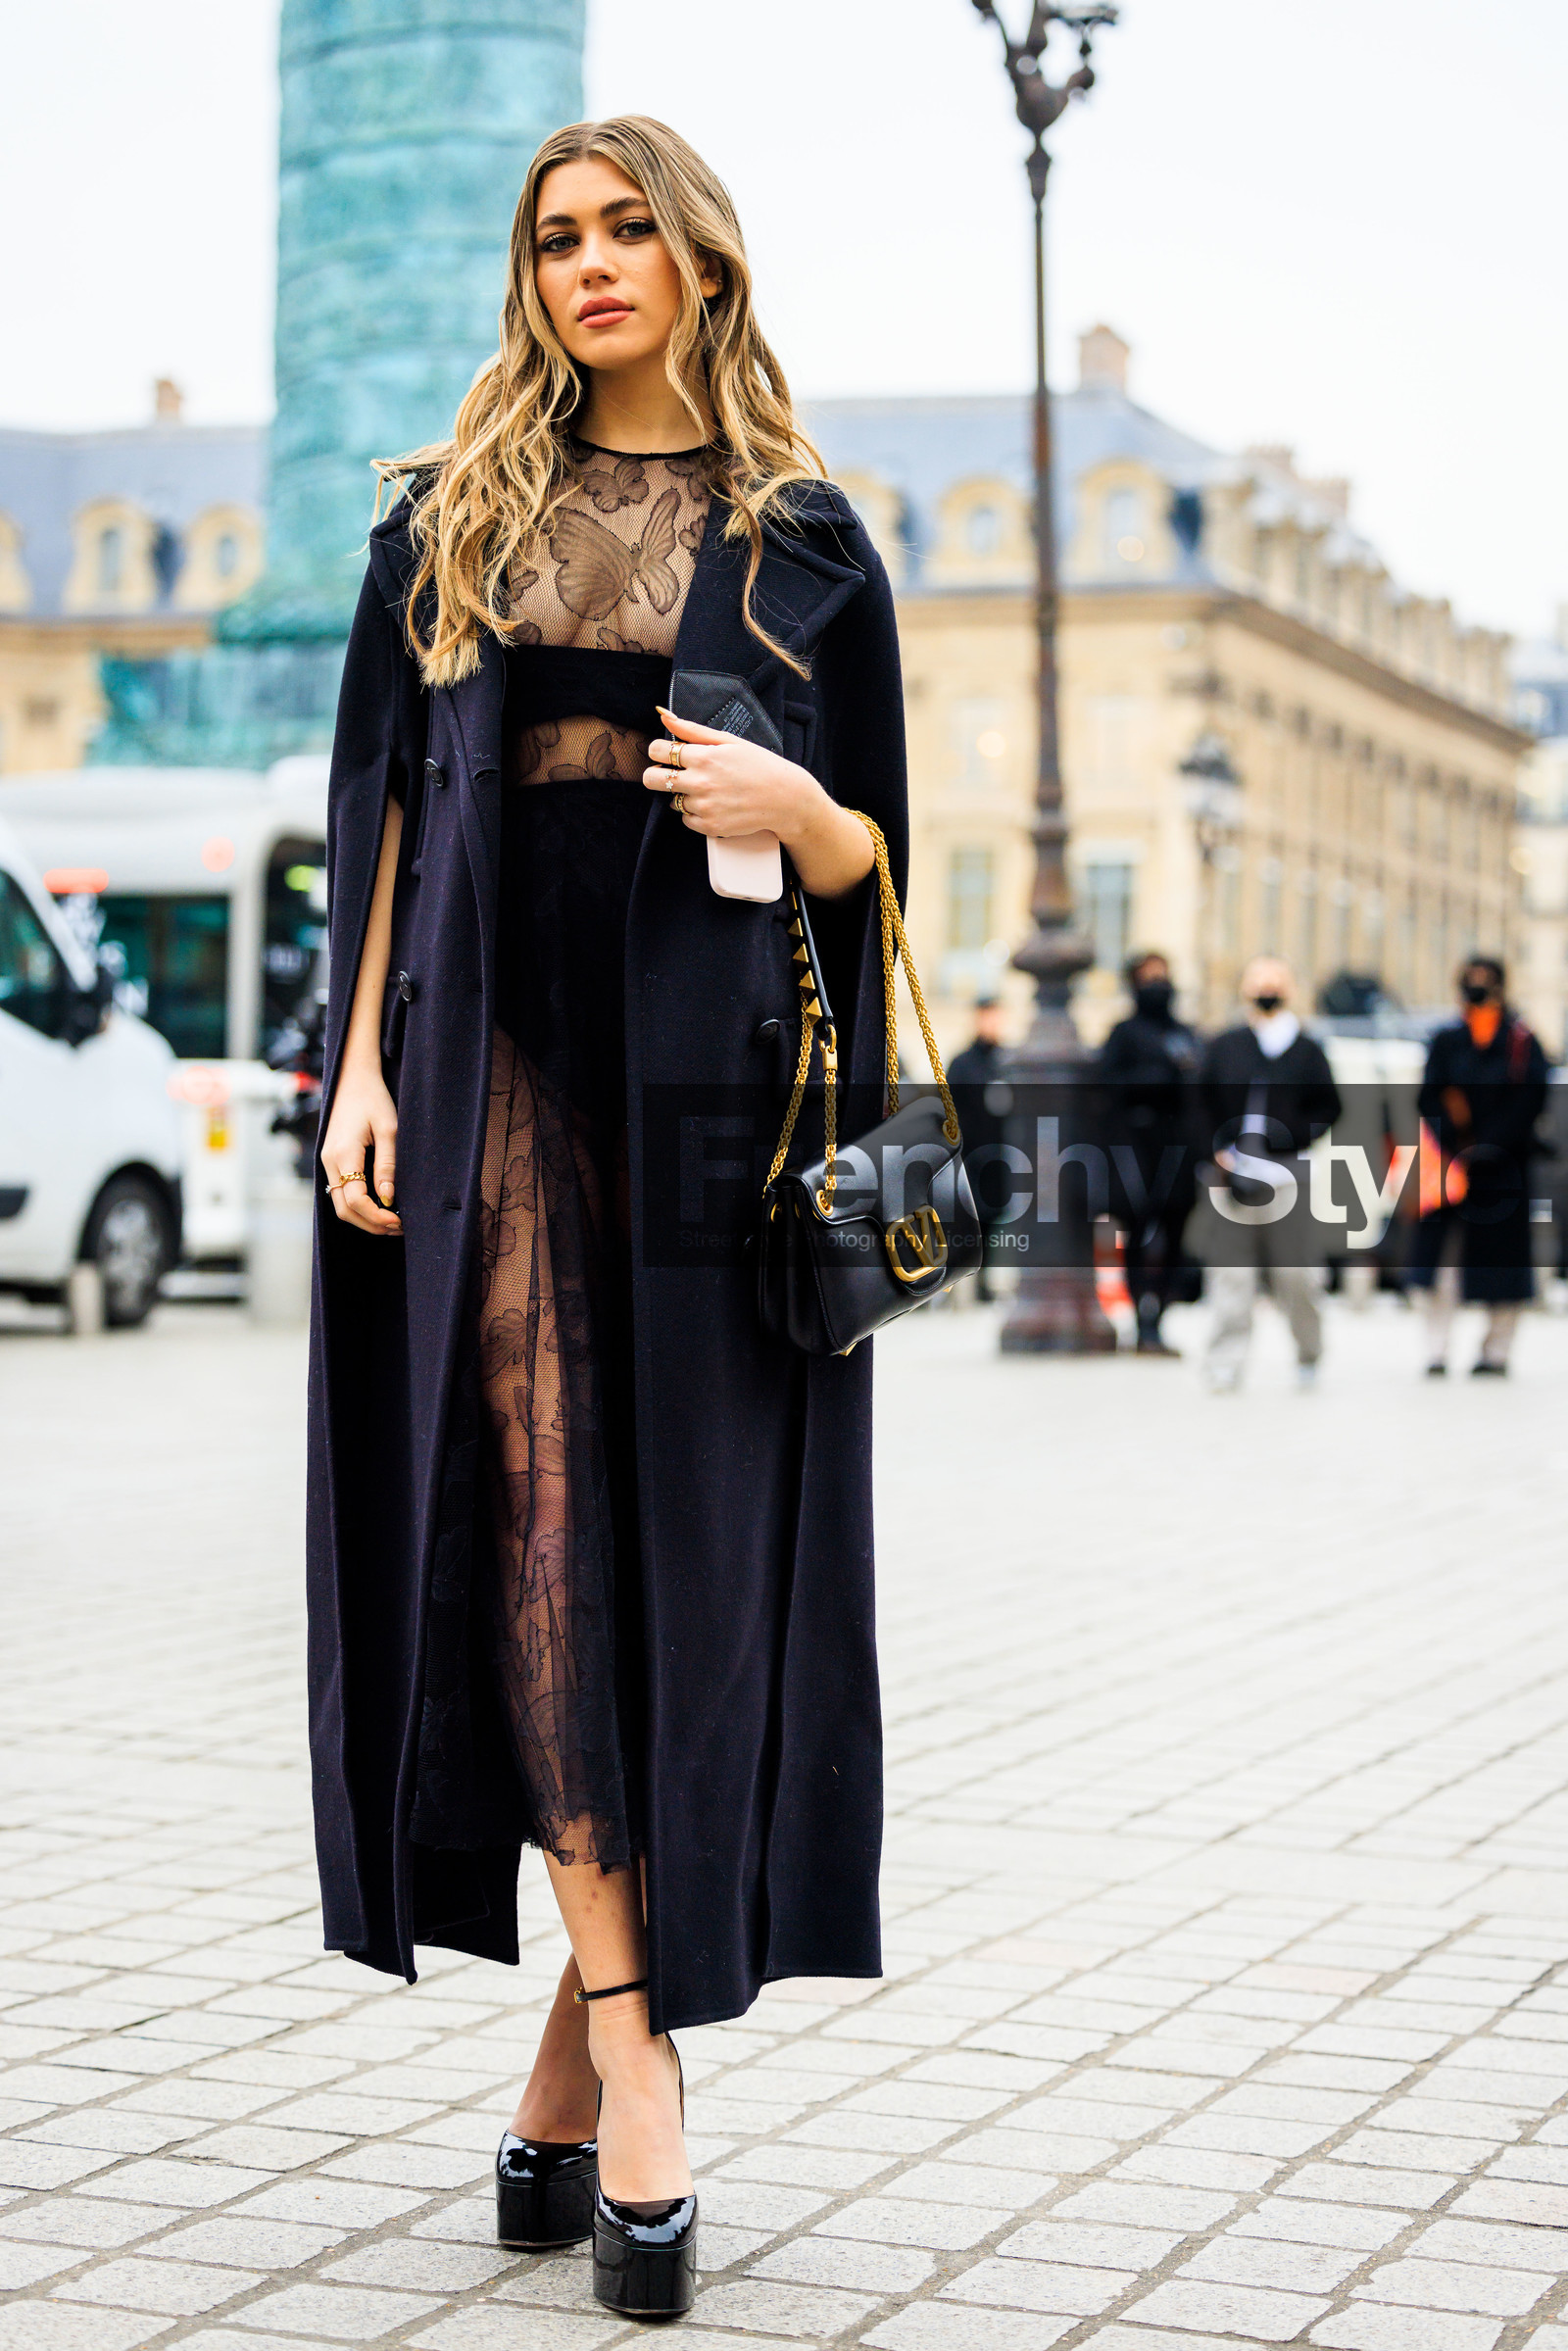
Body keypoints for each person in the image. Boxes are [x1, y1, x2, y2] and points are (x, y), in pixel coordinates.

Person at [308, 117, 908, 2319]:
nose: (586, 265)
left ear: (697, 255)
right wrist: (355, 1064)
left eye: (624, 226)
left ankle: (567, 2058)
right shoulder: (439, 520)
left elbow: (880, 872)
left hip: (709, 1116)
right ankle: (646, 2056)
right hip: (483, 1083)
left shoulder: (804, 540)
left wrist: (805, 809)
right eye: (553, 238)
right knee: (542, 1527)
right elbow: (371, 813)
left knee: (683, 1578)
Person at [1193, 956, 1342, 1392]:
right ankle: (1225, 1362)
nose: (1267, 989)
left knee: (1298, 1277)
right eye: (1259, 982)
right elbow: (1199, 1105)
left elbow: (1329, 1107)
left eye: (1275, 982)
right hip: (1231, 1179)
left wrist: (1291, 1137)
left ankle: (1309, 1354)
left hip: (1288, 1178)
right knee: (1231, 1277)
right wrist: (1214, 1151)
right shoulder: (1226, 1046)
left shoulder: (1307, 1049)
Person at [1407, 955, 1547, 1377]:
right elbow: (1429, 1095)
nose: (1478, 989)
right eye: (1471, 981)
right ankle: (1437, 1350)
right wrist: (1457, 1140)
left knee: (1503, 1264)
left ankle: (1495, 1351)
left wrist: (1491, 1145)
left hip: (1504, 1167)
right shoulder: (1447, 1039)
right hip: (1452, 1165)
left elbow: (1530, 1100)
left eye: (1486, 982)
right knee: (1442, 1261)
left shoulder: (1522, 1042)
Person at [1097, 952, 1201, 1354]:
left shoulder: (1185, 1034)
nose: (1158, 983)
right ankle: (1142, 1321)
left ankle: (1159, 1317)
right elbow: (1108, 1088)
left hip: (1178, 1149)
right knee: (1139, 1233)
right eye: (1149, 977)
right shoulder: (1124, 1034)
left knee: (1176, 1234)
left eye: (1164, 975)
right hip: (1135, 1149)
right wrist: (1154, 1081)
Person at [948, 996, 1009, 1300]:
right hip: (971, 1154)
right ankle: (962, 1281)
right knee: (970, 1217)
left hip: (1000, 1155)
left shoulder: (1007, 1060)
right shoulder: (962, 1063)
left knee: (993, 1217)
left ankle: (983, 1279)